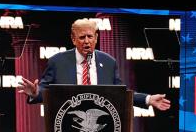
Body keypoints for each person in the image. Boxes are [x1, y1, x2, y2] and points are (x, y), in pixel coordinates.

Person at [17, 18, 171, 111]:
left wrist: (148, 99)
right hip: (67, 127)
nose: (87, 41)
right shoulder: (58, 61)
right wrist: (36, 93)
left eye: (90, 36)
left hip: (101, 128)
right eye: (82, 37)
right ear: (73, 39)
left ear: (96, 38)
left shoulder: (108, 62)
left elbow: (120, 93)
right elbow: (47, 90)